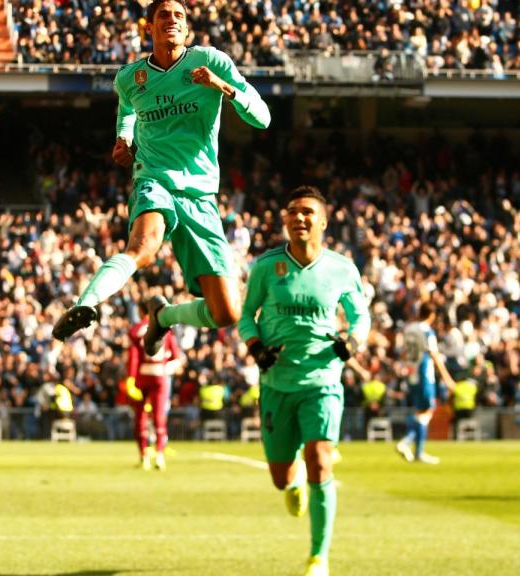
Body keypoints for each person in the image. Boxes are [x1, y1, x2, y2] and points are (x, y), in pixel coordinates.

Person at [52, 0, 271, 358]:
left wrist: (223, 87)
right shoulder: (130, 77)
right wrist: (124, 140)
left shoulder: (211, 62)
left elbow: (262, 118)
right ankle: (85, 304)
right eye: (163, 15)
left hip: (200, 194)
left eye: (179, 16)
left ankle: (164, 315)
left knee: (226, 312)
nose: (172, 20)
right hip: (153, 178)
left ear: (187, 30)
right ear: (149, 28)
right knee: (144, 246)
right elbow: (127, 114)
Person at [238, 186, 371, 576]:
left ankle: (318, 557)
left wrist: (354, 341)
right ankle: (291, 482)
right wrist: (256, 348)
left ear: (324, 221)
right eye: (293, 211)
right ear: (284, 220)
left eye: (308, 212)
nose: (299, 218)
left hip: (323, 380)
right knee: (281, 478)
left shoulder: (342, 268)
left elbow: (360, 316)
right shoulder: (266, 266)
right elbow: (247, 315)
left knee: (321, 460)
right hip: (277, 382)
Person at [396, 305, 456, 465]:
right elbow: (434, 354)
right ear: (431, 314)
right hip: (424, 374)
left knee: (420, 411)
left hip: (411, 373)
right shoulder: (427, 331)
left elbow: (403, 351)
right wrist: (447, 378)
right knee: (427, 411)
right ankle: (409, 444)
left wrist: (403, 365)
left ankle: (415, 449)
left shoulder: (409, 329)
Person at [126, 298, 182, 470]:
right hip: (160, 376)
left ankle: (144, 456)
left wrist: (130, 378)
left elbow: (133, 357)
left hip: (142, 376)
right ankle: (159, 455)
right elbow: (177, 358)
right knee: (159, 417)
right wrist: (165, 368)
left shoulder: (136, 331)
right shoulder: (167, 330)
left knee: (140, 417)